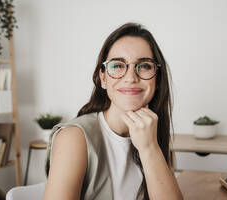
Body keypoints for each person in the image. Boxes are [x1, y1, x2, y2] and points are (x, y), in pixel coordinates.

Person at [43, 22, 183, 200]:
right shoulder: (73, 137)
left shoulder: (152, 132)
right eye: (118, 65)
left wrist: (149, 148)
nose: (131, 78)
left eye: (145, 65)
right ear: (103, 78)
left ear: (156, 79)